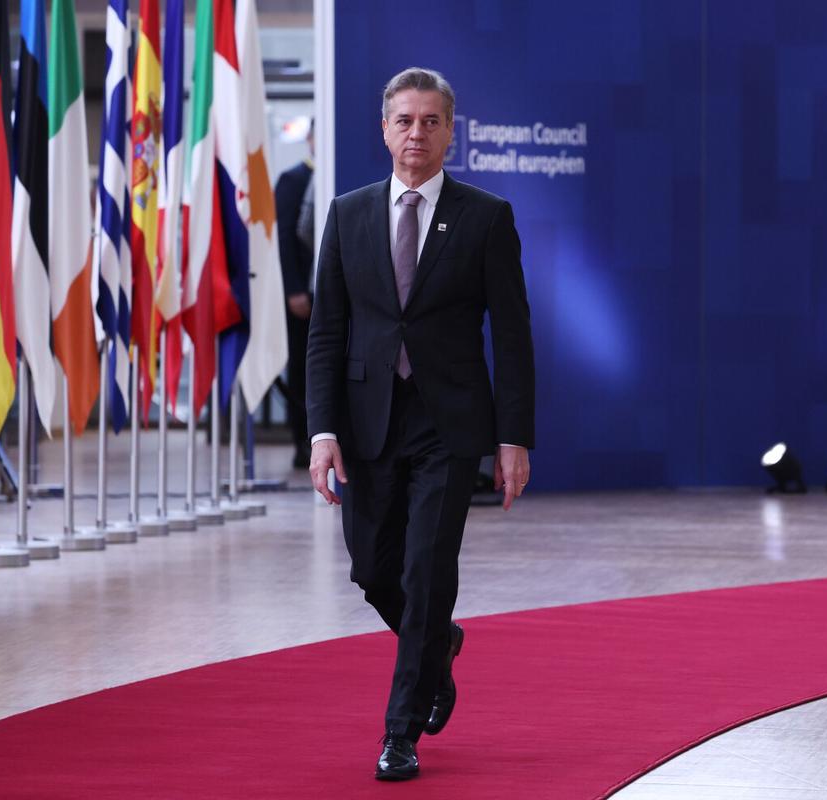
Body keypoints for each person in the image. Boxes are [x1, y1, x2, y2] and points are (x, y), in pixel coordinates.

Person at [305, 67, 535, 781]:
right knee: (373, 568)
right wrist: (321, 431)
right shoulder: (347, 215)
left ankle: (399, 732)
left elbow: (513, 335)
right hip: (367, 420)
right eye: (405, 120)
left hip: (449, 423)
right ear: (384, 129)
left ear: (450, 132)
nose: (417, 133)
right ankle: (440, 644)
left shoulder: (486, 217)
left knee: (426, 569)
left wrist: (513, 438)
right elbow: (326, 332)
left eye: (431, 121)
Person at [274, 121, 315, 468]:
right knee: (302, 370)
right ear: (310, 138)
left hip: (329, 293)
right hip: (302, 296)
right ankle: (302, 440)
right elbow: (284, 238)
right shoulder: (293, 179)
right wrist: (293, 289)